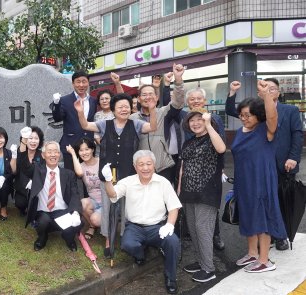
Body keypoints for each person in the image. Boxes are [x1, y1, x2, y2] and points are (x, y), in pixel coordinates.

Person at [75, 93, 157, 257]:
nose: (124, 109)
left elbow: (152, 127)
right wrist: (80, 111)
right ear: (113, 110)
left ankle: (126, 237)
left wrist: (153, 109)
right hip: (108, 175)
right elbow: (85, 125)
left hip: (129, 174)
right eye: (120, 106)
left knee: (128, 208)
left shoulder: (136, 124)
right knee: (108, 208)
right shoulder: (104, 124)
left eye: (126, 106)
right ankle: (108, 239)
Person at [226, 79, 303, 251]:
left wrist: (293, 157)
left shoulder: (290, 110)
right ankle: (266, 241)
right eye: (265, 87)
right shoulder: (256, 111)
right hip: (259, 165)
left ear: (278, 92)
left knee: (280, 201)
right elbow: (233, 111)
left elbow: (297, 135)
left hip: (284, 163)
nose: (268, 90)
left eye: (272, 88)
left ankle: (281, 235)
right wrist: (232, 93)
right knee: (263, 203)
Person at [103, 150, 182, 294]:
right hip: (134, 227)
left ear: (154, 165)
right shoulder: (128, 182)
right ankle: (141, 255)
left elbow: (173, 207)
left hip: (157, 227)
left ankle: (171, 277)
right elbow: (113, 195)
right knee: (127, 244)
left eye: (148, 164)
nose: (145, 168)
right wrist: (108, 180)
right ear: (135, 167)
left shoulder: (163, 182)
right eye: (141, 165)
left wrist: (170, 224)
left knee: (173, 242)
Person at [229, 81, 288, 273]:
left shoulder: (266, 130)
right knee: (248, 215)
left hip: (261, 180)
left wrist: (266, 96)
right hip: (244, 181)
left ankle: (265, 260)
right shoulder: (240, 131)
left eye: (248, 115)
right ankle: (253, 253)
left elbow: (272, 116)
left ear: (258, 115)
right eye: (241, 114)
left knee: (262, 217)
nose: (243, 118)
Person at [177, 109, 226, 283]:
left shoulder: (213, 138)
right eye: (192, 121)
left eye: (200, 120)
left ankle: (209, 269)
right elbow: (182, 169)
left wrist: (208, 124)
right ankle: (201, 261)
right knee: (193, 228)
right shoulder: (188, 143)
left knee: (203, 229)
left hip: (207, 192)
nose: (196, 123)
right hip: (188, 193)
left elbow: (221, 148)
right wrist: (179, 192)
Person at [129, 64, 186, 184]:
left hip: (163, 166)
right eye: (144, 95)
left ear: (156, 97)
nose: (148, 97)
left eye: (151, 94)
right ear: (139, 99)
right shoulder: (132, 118)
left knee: (163, 200)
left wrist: (178, 80)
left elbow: (178, 102)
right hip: (141, 167)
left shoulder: (163, 112)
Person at [26, 141, 83, 251]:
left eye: (56, 152)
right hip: (43, 211)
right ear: (43, 155)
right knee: (43, 222)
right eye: (49, 152)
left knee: (77, 222)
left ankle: (68, 238)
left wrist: (75, 212)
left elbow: (75, 194)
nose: (53, 155)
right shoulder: (37, 171)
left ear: (59, 155)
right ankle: (42, 237)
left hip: (61, 210)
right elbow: (25, 166)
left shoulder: (68, 174)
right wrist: (25, 142)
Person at [50, 70, 98, 171]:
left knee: (89, 176)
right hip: (71, 144)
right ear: (73, 84)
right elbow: (57, 118)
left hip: (88, 146)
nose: (81, 85)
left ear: (88, 83)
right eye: (78, 82)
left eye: (84, 81)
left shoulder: (93, 101)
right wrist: (56, 104)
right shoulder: (65, 100)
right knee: (71, 177)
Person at [66, 138, 102, 240]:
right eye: (81, 150)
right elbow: (80, 173)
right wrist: (73, 153)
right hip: (93, 201)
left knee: (96, 219)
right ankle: (92, 226)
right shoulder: (81, 166)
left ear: (93, 149)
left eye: (87, 149)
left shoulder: (101, 161)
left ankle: (103, 224)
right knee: (82, 203)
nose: (84, 153)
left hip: (106, 201)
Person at [14, 126, 44, 216]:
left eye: (36, 138)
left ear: (40, 141)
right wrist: (24, 138)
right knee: (20, 203)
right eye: (30, 138)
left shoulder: (41, 155)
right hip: (22, 187)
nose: (33, 141)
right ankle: (23, 209)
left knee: (35, 205)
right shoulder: (20, 152)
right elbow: (22, 154)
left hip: (37, 188)